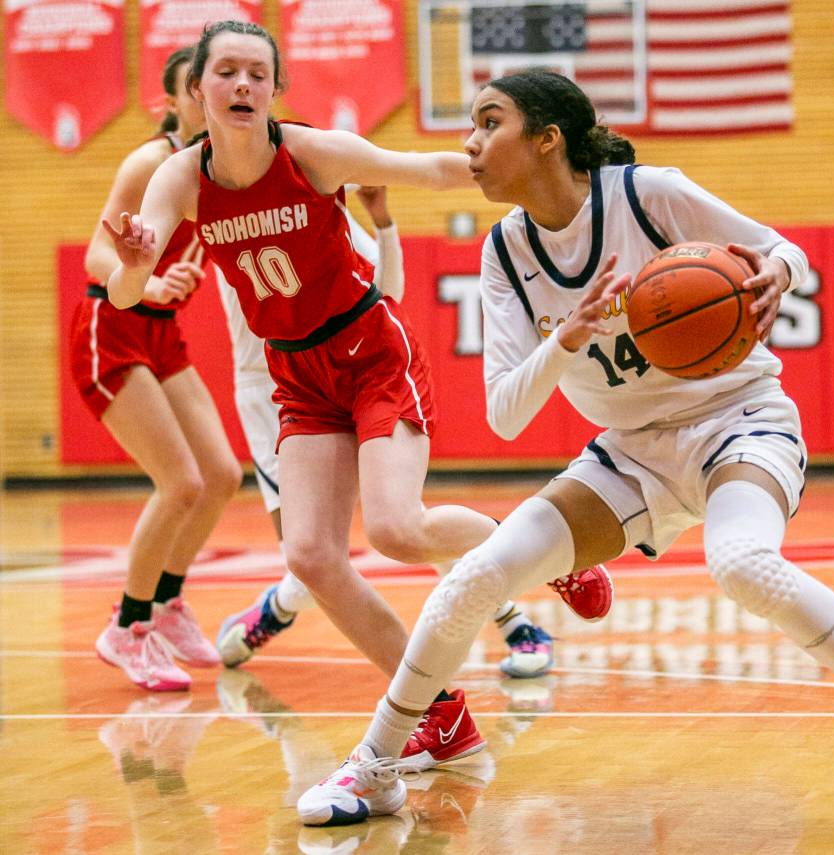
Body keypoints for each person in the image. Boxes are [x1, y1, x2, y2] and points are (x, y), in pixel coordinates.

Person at [296, 69, 834, 825]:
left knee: (741, 562)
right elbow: (504, 413)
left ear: (546, 139)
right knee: (476, 575)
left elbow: (779, 247)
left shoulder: (645, 194)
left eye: (489, 123)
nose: (469, 141)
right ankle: (375, 764)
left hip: (738, 417)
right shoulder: (505, 251)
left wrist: (774, 275)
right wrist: (565, 336)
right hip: (628, 452)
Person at [101, 24, 612, 769]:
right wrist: (135, 269)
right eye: (226, 73)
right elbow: (121, 292)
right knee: (309, 554)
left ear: (275, 89)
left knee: (400, 529)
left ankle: (544, 549)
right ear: (198, 91)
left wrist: (525, 170)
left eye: (257, 73)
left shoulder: (308, 152)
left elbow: (428, 170)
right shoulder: (179, 178)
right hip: (297, 376)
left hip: (369, 351)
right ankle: (440, 712)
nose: (242, 85)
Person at [214, 184, 571, 680]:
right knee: (309, 553)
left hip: (350, 365)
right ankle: (282, 607)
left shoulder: (307, 205)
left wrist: (384, 222)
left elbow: (389, 289)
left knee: (403, 526)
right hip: (271, 386)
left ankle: (511, 620)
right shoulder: (202, 196)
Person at [70, 45, 239, 691]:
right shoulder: (151, 160)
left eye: (220, 81)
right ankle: (128, 626)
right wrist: (145, 279)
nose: (211, 94)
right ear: (173, 100)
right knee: (180, 483)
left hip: (162, 331)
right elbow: (94, 253)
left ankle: (166, 603)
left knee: (220, 475)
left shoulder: (226, 165)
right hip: (109, 325)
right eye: (196, 87)